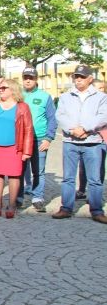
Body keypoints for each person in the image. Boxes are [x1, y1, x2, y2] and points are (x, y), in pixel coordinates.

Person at [52, 65, 107, 224]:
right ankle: (66, 208)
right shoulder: (66, 96)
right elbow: (60, 115)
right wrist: (72, 129)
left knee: (95, 178)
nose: (78, 80)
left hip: (92, 142)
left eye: (82, 77)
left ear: (90, 78)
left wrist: (85, 128)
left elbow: (103, 116)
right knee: (68, 178)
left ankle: (96, 210)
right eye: (76, 77)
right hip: (71, 141)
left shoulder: (100, 97)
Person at [0, 79, 34, 218]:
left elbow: (28, 129)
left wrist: (27, 151)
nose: (0, 89)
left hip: (15, 148)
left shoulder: (22, 107)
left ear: (13, 89)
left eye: (3, 87)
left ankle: (12, 205)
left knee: (14, 176)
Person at [18, 67, 56, 212]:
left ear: (36, 79)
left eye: (31, 78)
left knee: (38, 171)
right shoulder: (18, 95)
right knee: (19, 170)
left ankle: (37, 197)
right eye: (25, 77)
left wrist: (48, 138)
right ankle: (19, 198)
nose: (28, 80)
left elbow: (52, 119)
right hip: (21, 140)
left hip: (39, 139)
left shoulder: (45, 96)